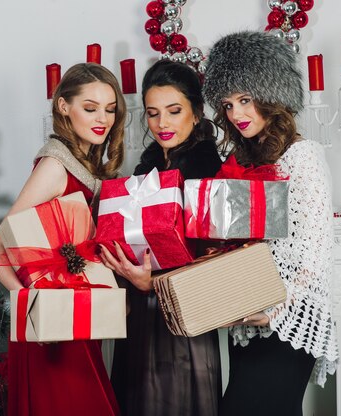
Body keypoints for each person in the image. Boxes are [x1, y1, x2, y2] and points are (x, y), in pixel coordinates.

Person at [202, 30, 339, 416]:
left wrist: (277, 309)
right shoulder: (242, 163)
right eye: (227, 104)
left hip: (287, 316)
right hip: (250, 317)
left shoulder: (302, 157)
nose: (236, 114)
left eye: (245, 100)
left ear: (272, 95)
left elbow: (313, 251)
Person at [0, 62, 126, 416]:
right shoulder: (55, 166)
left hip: (75, 314)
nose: (102, 119)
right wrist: (28, 302)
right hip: (51, 323)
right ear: (64, 106)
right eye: (90, 108)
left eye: (109, 109)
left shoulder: (86, 164)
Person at [100, 59, 224, 416]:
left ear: (197, 111)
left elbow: (216, 265)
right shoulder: (144, 174)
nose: (162, 124)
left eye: (174, 111)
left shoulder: (210, 175)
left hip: (182, 318)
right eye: (153, 113)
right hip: (139, 313)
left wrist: (153, 282)